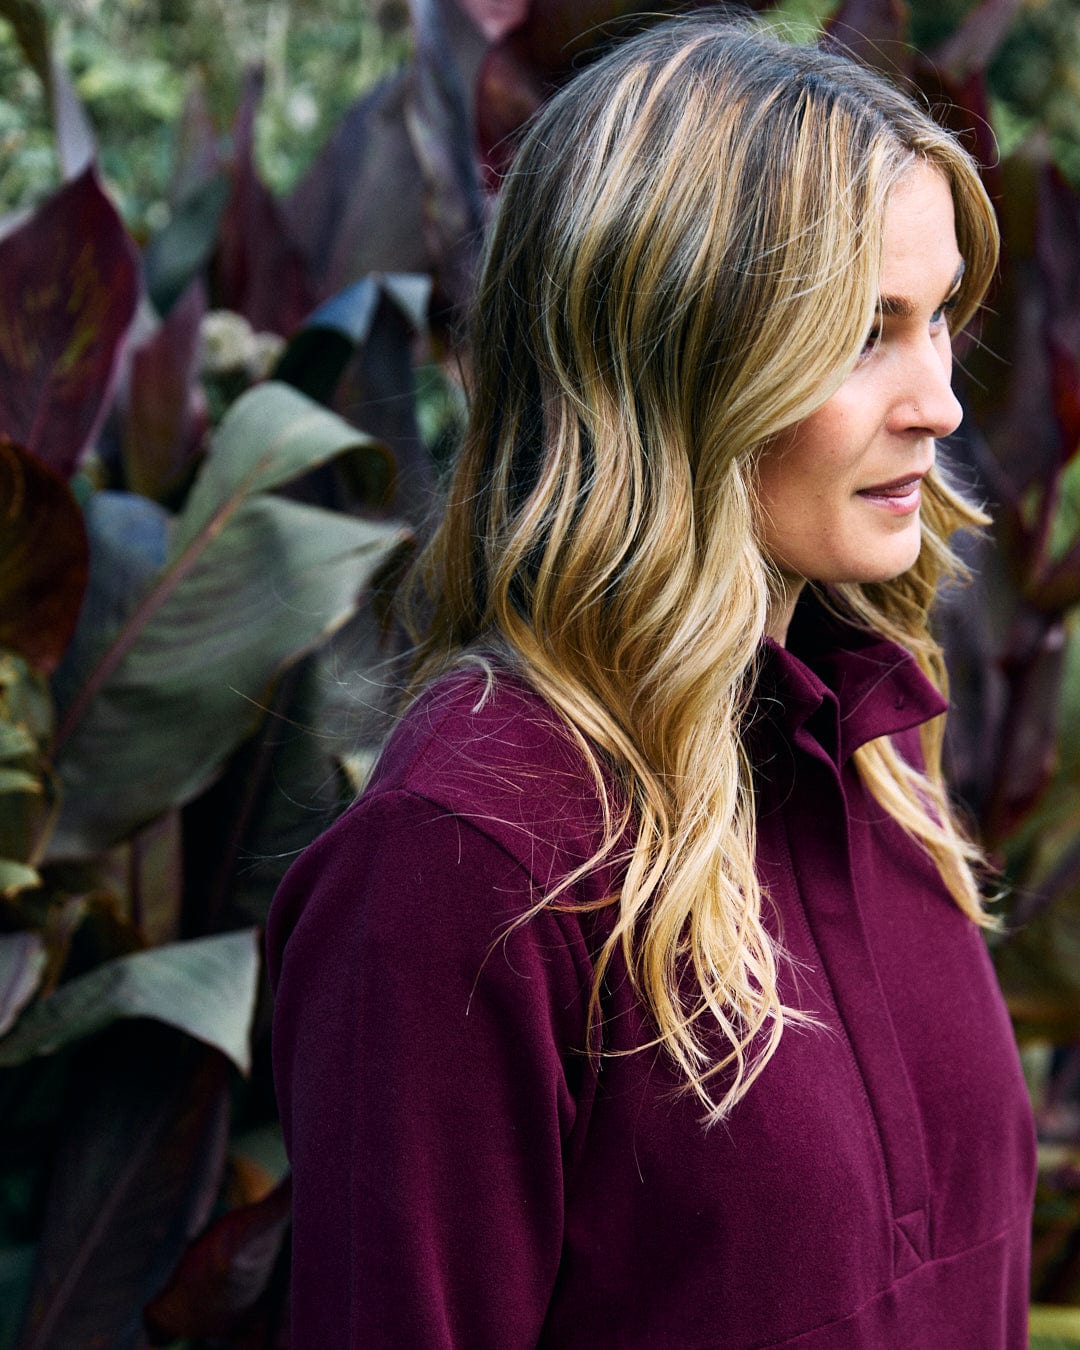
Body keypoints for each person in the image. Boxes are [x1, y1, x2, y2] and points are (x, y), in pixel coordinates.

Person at [267, 15, 1036, 1348]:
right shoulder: (467, 855)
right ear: (676, 352)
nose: (941, 400)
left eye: (939, 321)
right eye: (866, 332)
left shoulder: (871, 738)